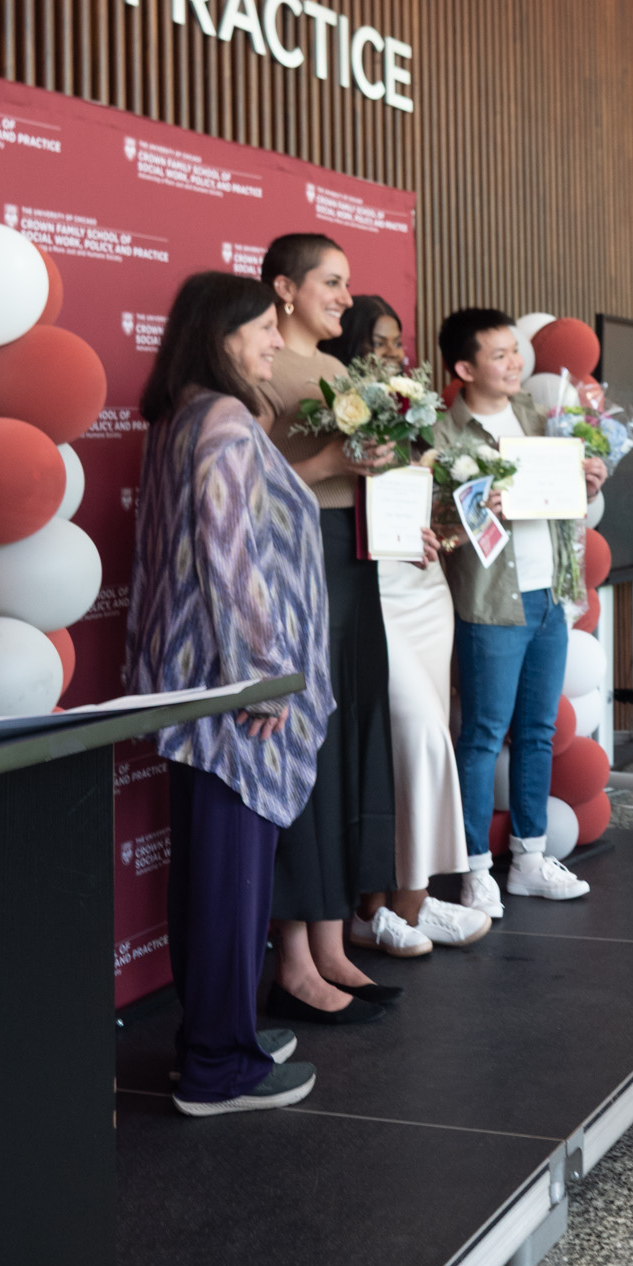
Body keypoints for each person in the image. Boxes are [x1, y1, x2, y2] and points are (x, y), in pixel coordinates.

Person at [126, 272, 332, 1116]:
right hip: (231, 694)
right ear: (222, 334)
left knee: (213, 875)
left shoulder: (184, 415)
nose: (275, 341)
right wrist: (264, 671)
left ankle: (218, 1033)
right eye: (260, 329)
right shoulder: (223, 422)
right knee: (227, 881)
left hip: (197, 690)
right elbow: (229, 556)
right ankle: (219, 1064)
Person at [261, 233, 421, 1020]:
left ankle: (332, 944)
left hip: (353, 558)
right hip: (302, 559)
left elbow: (361, 476)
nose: (345, 298)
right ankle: (293, 960)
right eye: (331, 282)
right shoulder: (261, 372)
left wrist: (406, 515)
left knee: (351, 736)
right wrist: (333, 466)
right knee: (307, 749)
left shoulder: (333, 372)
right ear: (284, 290)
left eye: (348, 283)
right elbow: (245, 494)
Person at [434, 308, 606, 915]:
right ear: (464, 368)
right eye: (500, 355)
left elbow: (561, 500)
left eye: (516, 351)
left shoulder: (537, 417)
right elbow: (433, 529)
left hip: (549, 596)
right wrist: (478, 510)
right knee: (481, 736)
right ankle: (475, 868)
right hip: (491, 602)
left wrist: (584, 481)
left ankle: (530, 858)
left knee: (537, 731)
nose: (516, 363)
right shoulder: (444, 434)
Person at [336, 296, 489, 950]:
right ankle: (371, 910)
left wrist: (457, 523)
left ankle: (415, 902)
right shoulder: (332, 414)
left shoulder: (415, 415)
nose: (392, 354)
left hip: (426, 591)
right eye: (378, 341)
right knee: (413, 735)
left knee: (434, 736)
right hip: (373, 591)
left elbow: (430, 510)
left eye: (397, 342)